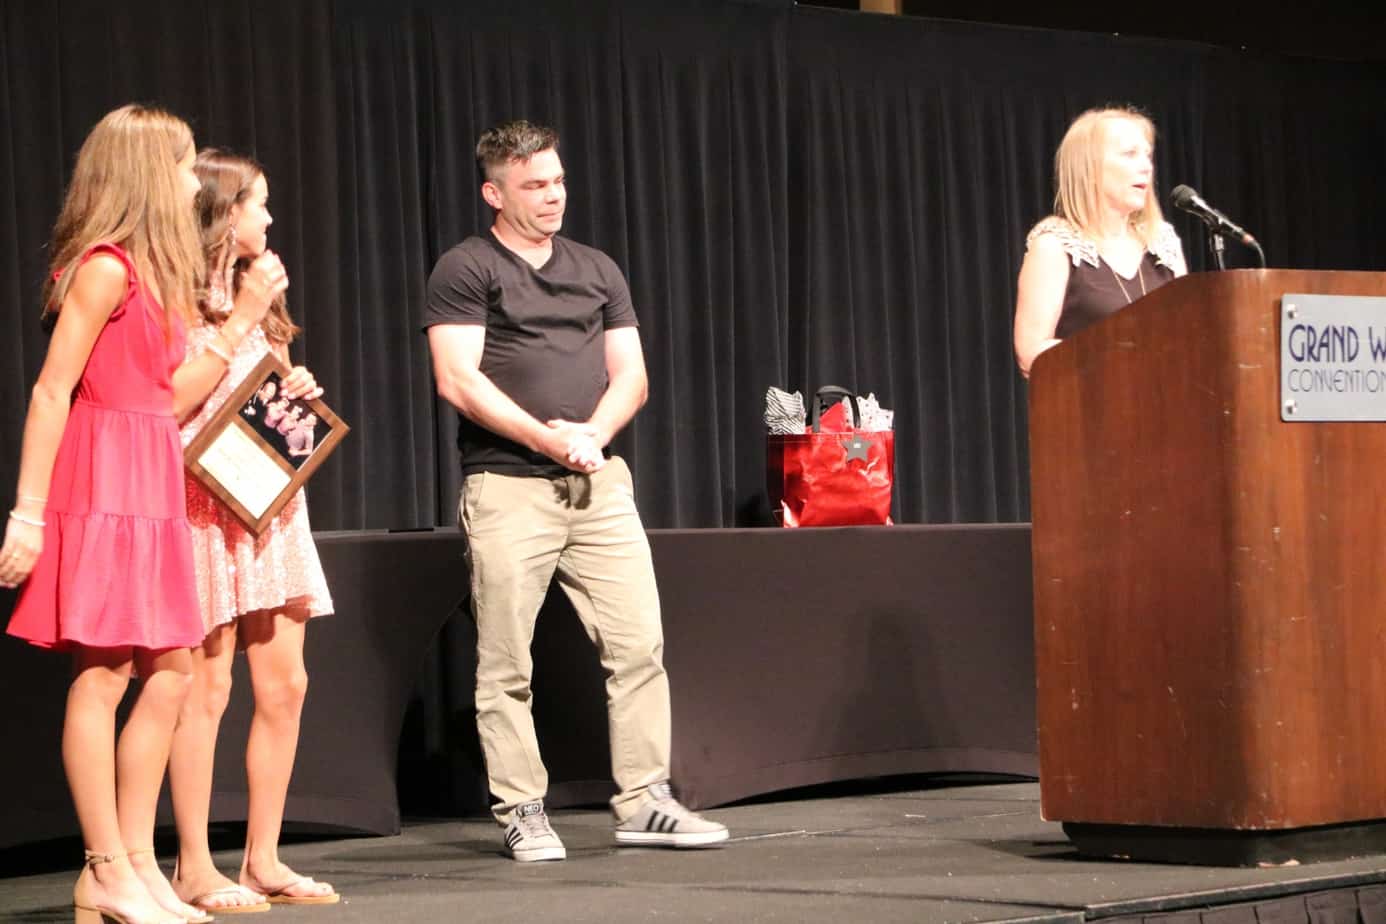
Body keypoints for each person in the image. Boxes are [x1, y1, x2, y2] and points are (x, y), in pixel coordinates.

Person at [423, 120, 729, 862]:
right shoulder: (467, 267)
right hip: (508, 487)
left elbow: (632, 376)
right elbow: (458, 379)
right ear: (494, 193)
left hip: (598, 485)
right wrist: (547, 439)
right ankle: (523, 808)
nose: (553, 195)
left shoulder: (596, 268)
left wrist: (591, 433)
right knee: (506, 661)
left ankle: (645, 800)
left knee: (638, 645)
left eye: (558, 181)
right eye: (534, 185)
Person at [0, 104, 275, 924]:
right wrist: (27, 513)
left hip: (150, 475)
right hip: (103, 479)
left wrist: (239, 325)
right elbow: (52, 390)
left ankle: (134, 864)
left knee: (173, 672)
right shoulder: (104, 267)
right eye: (184, 165)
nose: (193, 182)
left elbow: (169, 397)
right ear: (149, 173)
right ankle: (104, 867)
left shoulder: (152, 275)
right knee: (105, 674)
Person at [166, 149, 338, 914]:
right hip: (202, 502)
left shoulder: (259, 288)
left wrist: (293, 385)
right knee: (207, 686)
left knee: (286, 684)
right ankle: (193, 867)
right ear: (223, 211)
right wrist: (240, 315)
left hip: (268, 502)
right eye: (258, 204)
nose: (269, 218)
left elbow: (265, 380)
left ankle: (262, 859)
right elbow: (173, 401)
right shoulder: (173, 293)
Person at [1013, 106, 1188, 377]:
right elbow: (1030, 353)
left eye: (1148, 156)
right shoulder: (1055, 246)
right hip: (1088, 401)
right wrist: (1118, 351)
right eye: (1130, 154)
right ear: (1089, 168)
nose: (1146, 167)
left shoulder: (1163, 243)